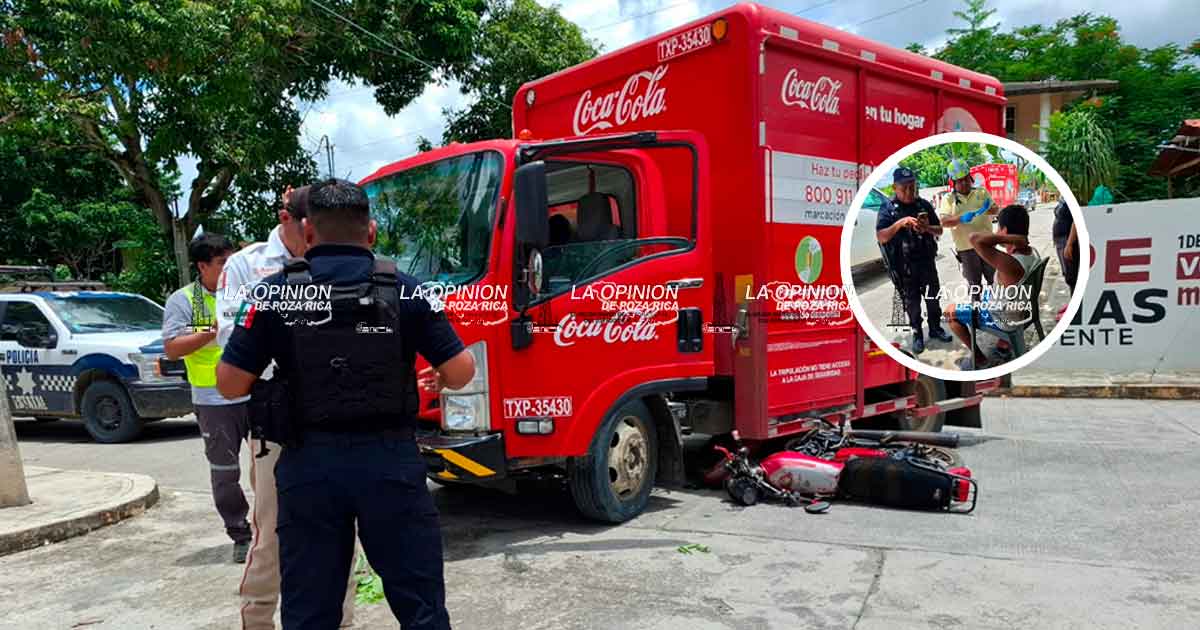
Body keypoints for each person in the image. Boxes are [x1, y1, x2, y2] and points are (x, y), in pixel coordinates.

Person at [216, 178, 475, 630]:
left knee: (311, 611)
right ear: (370, 232)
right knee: (422, 609)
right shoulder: (406, 289)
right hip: (391, 464)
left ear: (309, 233)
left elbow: (230, 384)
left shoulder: (274, 293)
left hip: (308, 468)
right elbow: (460, 371)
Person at [215, 185, 359, 629]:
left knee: (342, 535)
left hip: (340, 415)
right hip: (280, 423)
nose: (316, 237)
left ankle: (343, 621)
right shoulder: (247, 265)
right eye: (309, 227)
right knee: (272, 534)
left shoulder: (340, 259)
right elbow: (229, 340)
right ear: (289, 220)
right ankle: (258, 620)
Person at [162, 232, 250, 563]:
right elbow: (171, 348)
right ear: (202, 266)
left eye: (232, 261)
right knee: (226, 472)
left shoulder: (243, 293)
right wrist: (212, 331)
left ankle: (278, 531)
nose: (229, 269)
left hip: (255, 393)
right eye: (222, 263)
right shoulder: (186, 300)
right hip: (214, 402)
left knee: (275, 467)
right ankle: (240, 534)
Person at [944, 205, 1040, 370]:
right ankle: (1004, 345)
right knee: (985, 292)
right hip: (1023, 308)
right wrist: (1014, 239)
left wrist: (1011, 238)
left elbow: (975, 239)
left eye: (998, 229)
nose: (995, 232)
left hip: (1004, 318)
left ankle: (980, 359)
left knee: (950, 313)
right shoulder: (1033, 252)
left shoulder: (1012, 264)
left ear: (1005, 230)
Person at [876, 167, 953, 354]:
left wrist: (927, 228)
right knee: (912, 302)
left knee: (933, 297)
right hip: (904, 266)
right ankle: (917, 333)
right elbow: (881, 236)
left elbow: (940, 230)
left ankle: (935, 328)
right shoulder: (888, 209)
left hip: (926, 261)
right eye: (905, 188)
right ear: (895, 187)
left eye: (913, 187)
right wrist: (900, 224)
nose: (910, 192)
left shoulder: (923, 205)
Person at [938, 159, 997, 302]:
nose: (964, 183)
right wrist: (960, 219)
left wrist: (986, 209)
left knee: (995, 281)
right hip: (967, 249)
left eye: (965, 179)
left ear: (970, 178)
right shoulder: (948, 199)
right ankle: (976, 316)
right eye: (959, 181)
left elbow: (996, 209)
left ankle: (1000, 311)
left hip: (987, 245)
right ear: (953, 182)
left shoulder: (981, 192)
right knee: (974, 286)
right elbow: (944, 221)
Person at [1052, 199, 1079, 320]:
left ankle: (1075, 309)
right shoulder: (1063, 200)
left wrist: (1069, 244)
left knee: (1072, 276)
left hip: (1067, 241)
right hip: (1061, 241)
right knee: (1067, 274)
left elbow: (1076, 221)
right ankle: (1072, 303)